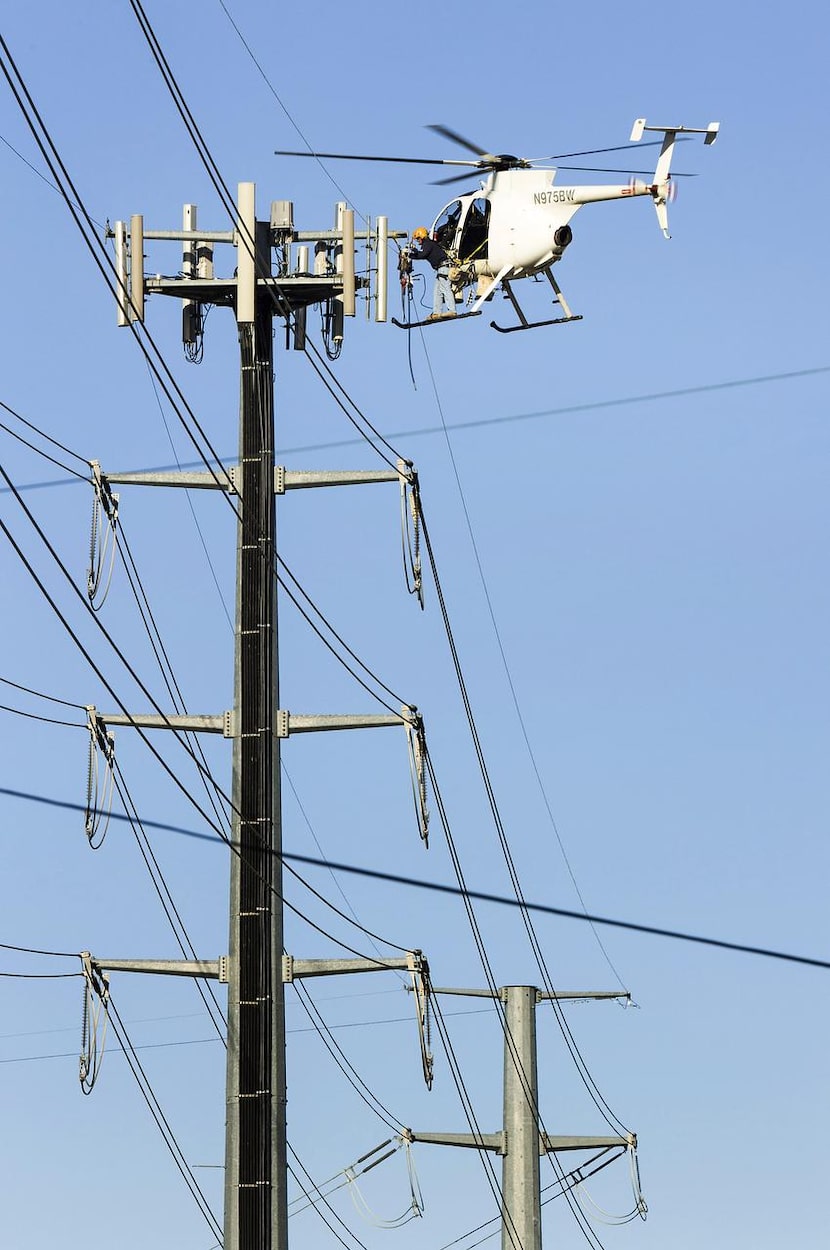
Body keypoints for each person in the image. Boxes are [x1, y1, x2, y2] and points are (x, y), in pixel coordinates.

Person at [409, 226, 456, 319]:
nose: (418, 241)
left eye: (418, 238)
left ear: (422, 236)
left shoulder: (427, 243)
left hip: (443, 267)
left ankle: (452, 311)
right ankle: (436, 313)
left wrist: (411, 254)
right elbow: (422, 254)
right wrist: (412, 254)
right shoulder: (429, 244)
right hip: (441, 268)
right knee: (437, 292)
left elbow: (423, 254)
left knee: (445, 288)